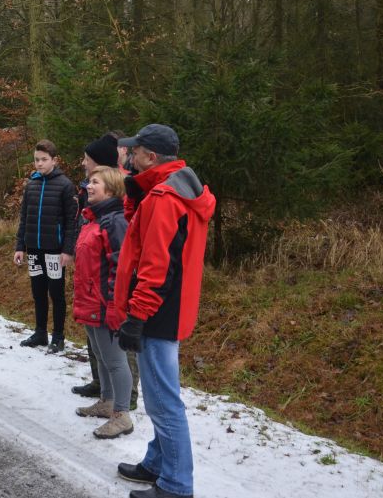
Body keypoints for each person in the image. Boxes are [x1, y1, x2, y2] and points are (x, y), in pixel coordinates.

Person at [113, 124, 216, 498]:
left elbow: (156, 265)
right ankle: (157, 463)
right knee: (160, 394)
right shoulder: (180, 188)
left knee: (163, 402)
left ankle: (176, 485)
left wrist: (137, 316)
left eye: (135, 151)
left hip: (157, 313)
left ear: (151, 156)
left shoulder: (164, 197)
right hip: (173, 307)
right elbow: (144, 234)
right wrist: (134, 190)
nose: (129, 156)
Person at [72, 166, 133, 438]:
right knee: (101, 356)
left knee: (116, 361)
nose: (88, 186)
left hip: (105, 305)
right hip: (90, 303)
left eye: (94, 182)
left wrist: (114, 306)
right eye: (89, 182)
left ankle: (122, 415)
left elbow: (121, 268)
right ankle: (107, 402)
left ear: (110, 189)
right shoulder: (92, 219)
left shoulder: (114, 222)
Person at [12, 139, 79, 352]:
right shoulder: (31, 185)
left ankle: (58, 336)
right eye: (36, 160)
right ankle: (40, 332)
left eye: (44, 159)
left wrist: (68, 250)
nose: (39, 163)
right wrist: (20, 246)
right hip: (34, 249)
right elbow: (24, 218)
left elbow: (71, 222)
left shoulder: (65, 185)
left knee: (56, 294)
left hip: (55, 250)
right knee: (38, 292)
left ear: (54, 160)